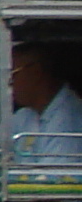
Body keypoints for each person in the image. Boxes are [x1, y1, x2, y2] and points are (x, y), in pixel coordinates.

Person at [4, 40, 82, 169]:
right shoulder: (27, 114)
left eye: (12, 74)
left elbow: (55, 183)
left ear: (35, 72)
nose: (9, 84)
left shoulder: (67, 120)